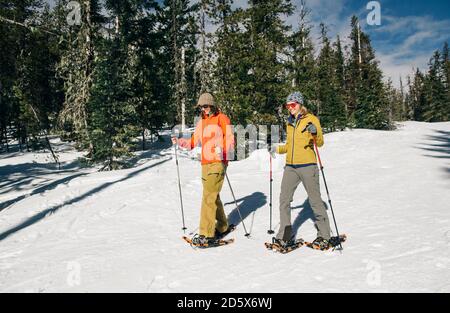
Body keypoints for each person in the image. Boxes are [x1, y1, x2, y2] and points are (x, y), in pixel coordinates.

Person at [270, 91, 332, 250]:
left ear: (300, 104)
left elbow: (320, 142)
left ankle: (325, 236)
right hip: (290, 167)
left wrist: (315, 132)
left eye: (293, 105)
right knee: (284, 200)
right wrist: (277, 149)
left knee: (315, 201)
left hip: (307, 166)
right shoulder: (289, 123)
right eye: (287, 105)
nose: (290, 108)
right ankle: (285, 235)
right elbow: (290, 146)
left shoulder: (311, 119)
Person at [172, 93, 235, 246]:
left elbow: (231, 140)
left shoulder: (222, 119)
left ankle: (206, 234)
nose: (204, 109)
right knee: (213, 196)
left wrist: (223, 150)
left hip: (218, 162)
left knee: (208, 197)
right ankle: (222, 225)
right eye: (201, 107)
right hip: (205, 163)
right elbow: (193, 142)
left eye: (206, 106)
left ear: (212, 105)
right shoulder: (202, 122)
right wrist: (179, 141)